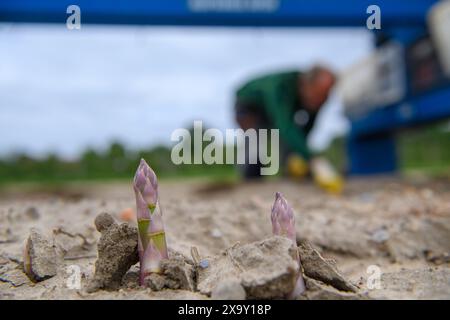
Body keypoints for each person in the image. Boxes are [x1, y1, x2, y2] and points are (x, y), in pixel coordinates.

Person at [234, 65, 343, 192]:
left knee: (292, 146)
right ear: (305, 85)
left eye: (326, 95)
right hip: (248, 106)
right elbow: (284, 125)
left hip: (272, 109)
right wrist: (313, 158)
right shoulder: (280, 87)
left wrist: (301, 153)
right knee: (257, 140)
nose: (323, 100)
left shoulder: (318, 98)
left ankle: (289, 178)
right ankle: (250, 183)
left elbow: (305, 130)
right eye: (319, 95)